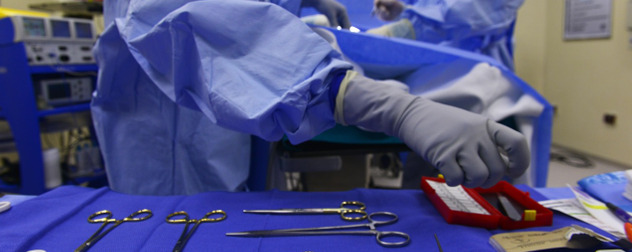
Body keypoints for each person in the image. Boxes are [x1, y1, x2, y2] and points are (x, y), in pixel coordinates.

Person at [92, 0, 529, 195]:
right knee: (176, 229)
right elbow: (175, 17)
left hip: (226, 116)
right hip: (168, 121)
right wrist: (376, 102)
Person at [369, 0, 523, 70]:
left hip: (475, 72)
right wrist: (404, 11)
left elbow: (464, 13)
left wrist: (410, 27)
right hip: (430, 65)